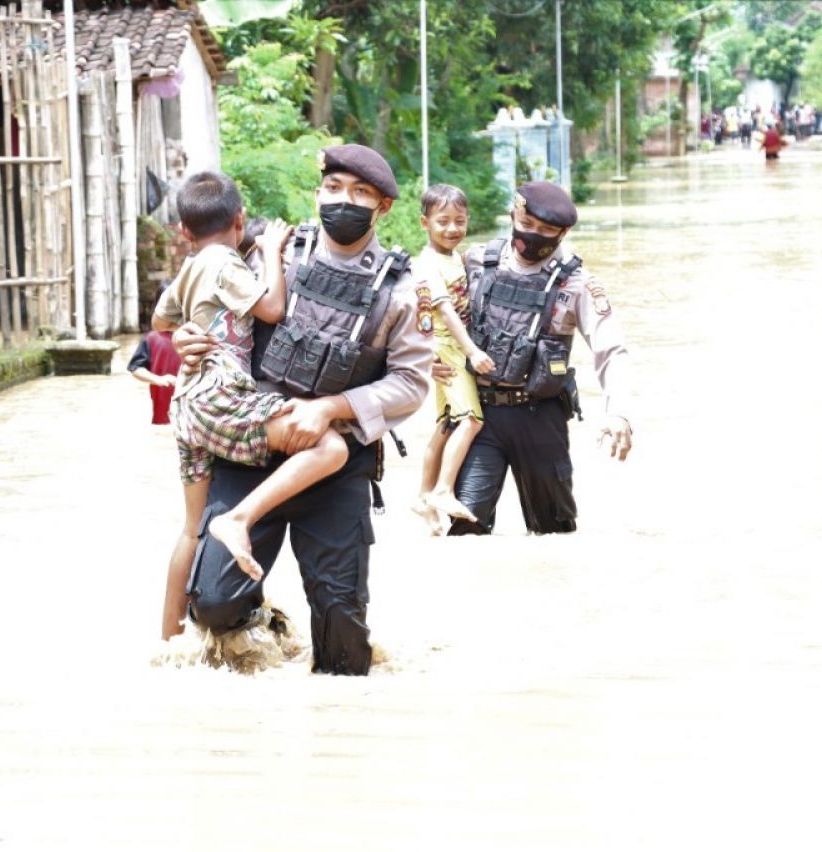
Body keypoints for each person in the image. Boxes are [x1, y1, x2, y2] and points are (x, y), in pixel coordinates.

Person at [171, 144, 430, 675]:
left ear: (382, 207)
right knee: (215, 607)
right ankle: (267, 625)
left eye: (360, 193)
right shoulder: (274, 254)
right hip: (250, 453)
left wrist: (334, 405)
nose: (343, 201)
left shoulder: (402, 289)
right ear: (317, 193)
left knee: (342, 645)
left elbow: (412, 382)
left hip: (336, 466)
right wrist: (186, 337)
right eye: (333, 188)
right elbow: (204, 310)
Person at [152, 171, 346, 639]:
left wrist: (183, 331)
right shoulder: (223, 261)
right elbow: (274, 309)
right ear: (240, 221)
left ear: (183, 231)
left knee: (191, 528)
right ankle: (239, 519)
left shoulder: (192, 264)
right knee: (331, 446)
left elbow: (160, 318)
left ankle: (169, 642)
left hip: (188, 406)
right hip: (221, 395)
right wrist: (272, 254)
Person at [435, 181, 634, 537]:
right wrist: (427, 359)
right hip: (481, 417)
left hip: (540, 416)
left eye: (546, 231)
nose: (533, 235)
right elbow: (431, 311)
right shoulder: (477, 261)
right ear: (513, 214)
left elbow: (612, 349)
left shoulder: (577, 284)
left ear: (564, 232)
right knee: (464, 528)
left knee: (553, 533)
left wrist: (618, 412)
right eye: (526, 224)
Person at [411, 184, 494, 534]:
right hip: (449, 348)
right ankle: (444, 489)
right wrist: (472, 352)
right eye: (442, 221)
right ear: (424, 223)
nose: (452, 229)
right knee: (472, 420)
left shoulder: (455, 257)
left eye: (459, 221)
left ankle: (423, 495)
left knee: (445, 424)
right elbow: (444, 310)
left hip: (446, 347)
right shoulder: (428, 263)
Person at [127, 328, 179, 425]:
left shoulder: (199, 336)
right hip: (164, 410)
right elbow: (135, 368)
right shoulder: (152, 338)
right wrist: (158, 379)